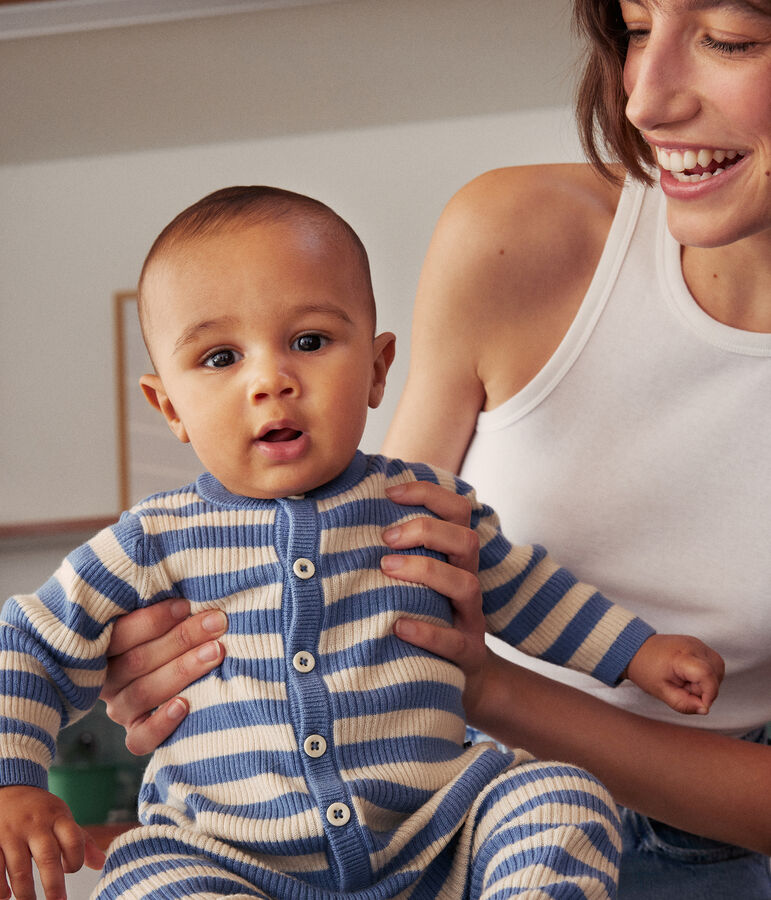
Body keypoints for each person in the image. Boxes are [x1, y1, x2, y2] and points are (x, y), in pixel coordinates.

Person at [97, 1, 771, 898]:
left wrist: (511, 683)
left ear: (374, 366)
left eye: (731, 35)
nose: (644, 101)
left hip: (661, 837)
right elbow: (388, 540)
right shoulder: (514, 235)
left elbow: (514, 588)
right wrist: (152, 663)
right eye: (636, 26)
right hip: (417, 810)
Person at [0, 185, 724, 900]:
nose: (270, 380)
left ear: (377, 370)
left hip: (438, 841)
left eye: (309, 342)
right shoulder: (148, 542)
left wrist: (636, 653)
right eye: (220, 358)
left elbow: (527, 588)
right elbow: (28, 645)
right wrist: (14, 780)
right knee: (140, 875)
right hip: (229, 858)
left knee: (559, 796)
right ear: (169, 407)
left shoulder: (422, 504)